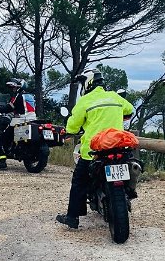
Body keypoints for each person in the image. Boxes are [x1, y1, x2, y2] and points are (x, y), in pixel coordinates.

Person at [56, 70, 134, 229]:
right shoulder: (114, 96)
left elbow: (73, 126)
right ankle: (127, 193)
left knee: (78, 181)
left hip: (94, 151)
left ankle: (72, 218)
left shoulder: (85, 101)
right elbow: (130, 110)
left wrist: (69, 130)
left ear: (88, 82)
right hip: (118, 146)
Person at [0, 78, 28, 170]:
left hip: (20, 120)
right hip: (31, 119)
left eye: (14, 87)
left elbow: (9, 108)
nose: (12, 89)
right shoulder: (30, 96)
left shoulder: (18, 96)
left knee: (2, 137)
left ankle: (2, 162)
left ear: (19, 87)